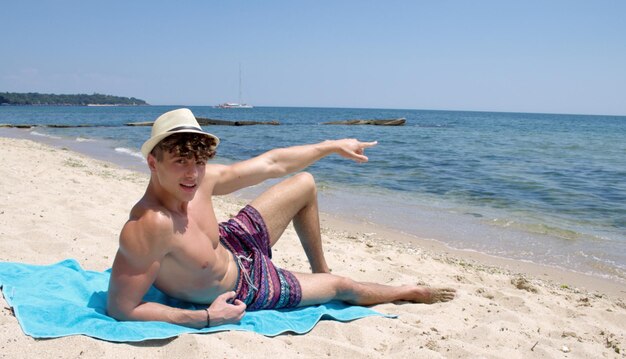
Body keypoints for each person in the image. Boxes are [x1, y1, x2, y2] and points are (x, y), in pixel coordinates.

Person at [107, 108, 455, 329]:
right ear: (153, 162)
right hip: (244, 284)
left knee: (303, 183)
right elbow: (122, 307)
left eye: (198, 161)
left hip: (232, 243)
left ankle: (321, 272)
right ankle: (410, 292)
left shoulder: (204, 179)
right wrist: (207, 318)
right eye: (180, 161)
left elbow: (272, 164)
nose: (192, 174)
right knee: (341, 288)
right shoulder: (150, 225)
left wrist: (331, 146)